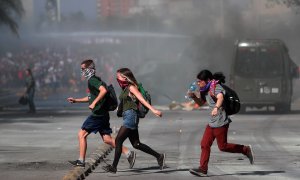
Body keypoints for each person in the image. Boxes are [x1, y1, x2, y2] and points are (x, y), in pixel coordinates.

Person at [67, 60, 136, 168]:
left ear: (89, 69)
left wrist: (94, 103)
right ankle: (128, 153)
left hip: (97, 115)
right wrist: (76, 100)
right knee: (107, 139)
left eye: (83, 69)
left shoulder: (92, 81)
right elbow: (91, 97)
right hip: (103, 114)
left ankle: (81, 161)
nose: (82, 72)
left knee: (81, 134)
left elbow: (103, 91)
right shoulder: (96, 80)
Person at [188, 69, 254, 177]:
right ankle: (203, 169)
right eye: (197, 81)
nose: (198, 83)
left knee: (223, 147)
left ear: (208, 80)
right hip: (212, 122)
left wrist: (216, 108)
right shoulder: (204, 89)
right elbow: (201, 103)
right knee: (204, 144)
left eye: (200, 81)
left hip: (221, 122)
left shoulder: (215, 87)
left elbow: (220, 97)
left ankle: (245, 149)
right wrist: (194, 97)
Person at [102, 68, 165, 173]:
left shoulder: (131, 87)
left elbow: (141, 99)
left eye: (118, 77)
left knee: (118, 141)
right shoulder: (125, 88)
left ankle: (114, 167)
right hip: (128, 116)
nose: (117, 79)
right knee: (136, 144)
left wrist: (154, 110)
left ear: (125, 77)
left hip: (131, 117)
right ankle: (159, 156)